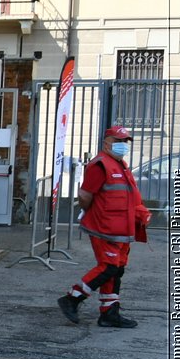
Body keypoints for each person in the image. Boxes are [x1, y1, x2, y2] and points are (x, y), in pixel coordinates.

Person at [57, 124, 152, 328]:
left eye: (125, 142)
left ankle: (109, 312)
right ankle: (72, 298)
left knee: (117, 270)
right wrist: (90, 213)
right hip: (104, 227)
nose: (122, 145)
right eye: (118, 141)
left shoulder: (121, 164)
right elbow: (84, 195)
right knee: (108, 267)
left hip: (122, 229)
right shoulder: (100, 165)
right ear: (107, 143)